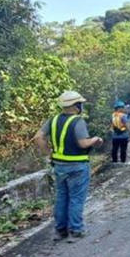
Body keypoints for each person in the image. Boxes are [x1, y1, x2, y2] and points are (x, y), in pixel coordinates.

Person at [34, 91, 103, 242]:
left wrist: (48, 154)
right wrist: (95, 139)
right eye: (80, 103)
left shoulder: (53, 120)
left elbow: (38, 137)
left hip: (59, 166)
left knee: (61, 197)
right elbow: (83, 143)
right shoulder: (78, 121)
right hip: (77, 166)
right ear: (76, 106)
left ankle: (60, 231)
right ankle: (76, 230)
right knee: (76, 199)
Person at [111, 99, 130, 164]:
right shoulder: (123, 115)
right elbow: (126, 125)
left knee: (114, 149)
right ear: (119, 108)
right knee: (123, 149)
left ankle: (114, 161)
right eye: (122, 107)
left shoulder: (113, 115)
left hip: (115, 136)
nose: (123, 108)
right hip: (123, 136)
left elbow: (111, 125)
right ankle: (123, 161)